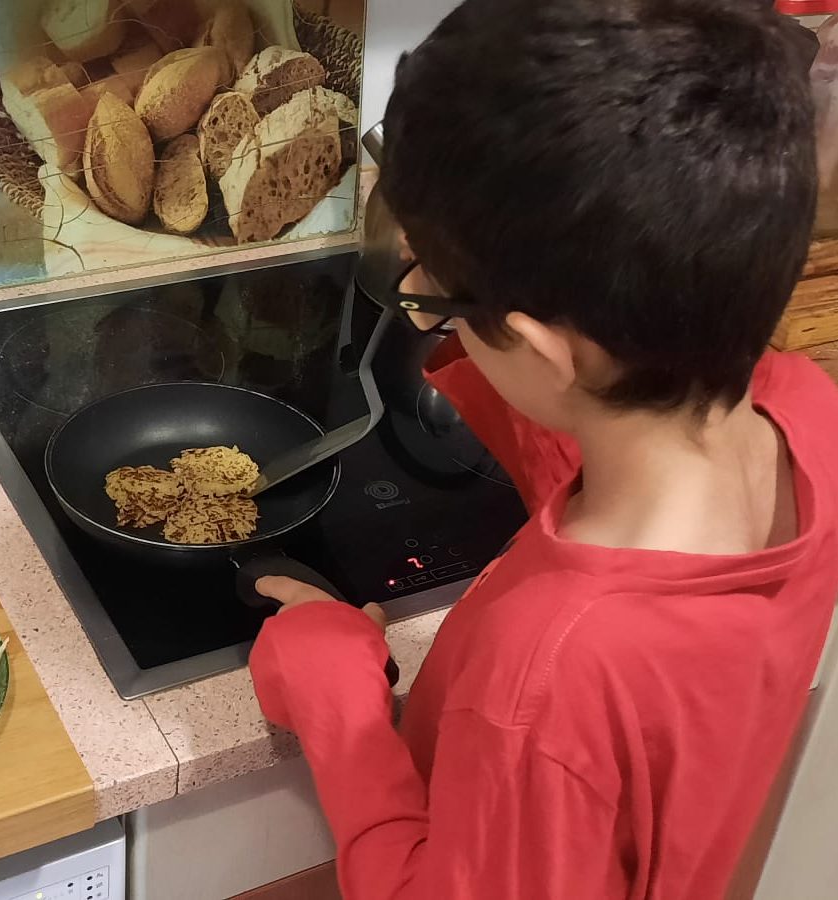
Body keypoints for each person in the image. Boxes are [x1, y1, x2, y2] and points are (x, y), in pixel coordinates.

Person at [248, 1, 838, 897]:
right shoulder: (809, 414)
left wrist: (341, 706)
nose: (414, 295)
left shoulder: (548, 681)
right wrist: (469, 309)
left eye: (435, 291)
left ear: (549, 346)